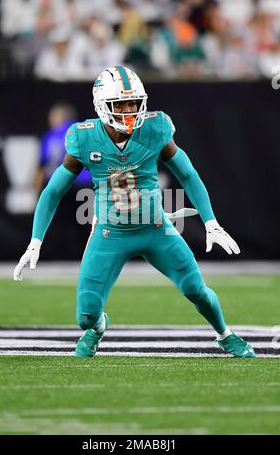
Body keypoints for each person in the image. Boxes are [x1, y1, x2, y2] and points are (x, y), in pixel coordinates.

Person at [14, 65, 255, 359]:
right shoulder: (84, 137)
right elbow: (52, 191)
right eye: (121, 104)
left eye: (134, 102)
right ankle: (98, 327)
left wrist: (211, 222)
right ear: (102, 106)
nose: (129, 110)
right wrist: (35, 240)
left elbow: (188, 175)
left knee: (195, 288)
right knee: (85, 315)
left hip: (155, 229)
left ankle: (225, 334)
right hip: (109, 232)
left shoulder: (156, 129)